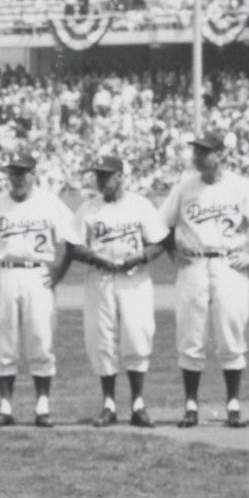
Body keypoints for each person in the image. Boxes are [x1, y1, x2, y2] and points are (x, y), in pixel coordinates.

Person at [159, 130, 249, 429]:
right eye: (196, 152)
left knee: (231, 332)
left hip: (228, 263)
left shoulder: (239, 186)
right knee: (190, 335)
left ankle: (233, 403)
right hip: (194, 264)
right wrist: (173, 252)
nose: (197, 157)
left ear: (219, 155)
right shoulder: (185, 187)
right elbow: (163, 225)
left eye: (204, 151)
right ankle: (191, 404)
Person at [0, 149, 75, 427]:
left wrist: (59, 273)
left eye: (22, 172)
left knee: (40, 339)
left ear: (33, 174)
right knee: (3, 342)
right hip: (4, 274)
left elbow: (72, 241)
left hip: (37, 274)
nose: (17, 178)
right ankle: (5, 407)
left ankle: (42, 406)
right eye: (12, 172)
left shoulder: (49, 203)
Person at [68, 152, 168, 428]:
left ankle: (138, 403)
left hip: (134, 278)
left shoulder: (140, 205)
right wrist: (94, 258)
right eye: (97, 176)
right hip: (100, 278)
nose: (100, 181)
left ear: (120, 176)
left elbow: (159, 241)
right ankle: (109, 404)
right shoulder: (88, 209)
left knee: (137, 335)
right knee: (102, 339)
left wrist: (138, 258)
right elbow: (73, 245)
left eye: (106, 176)